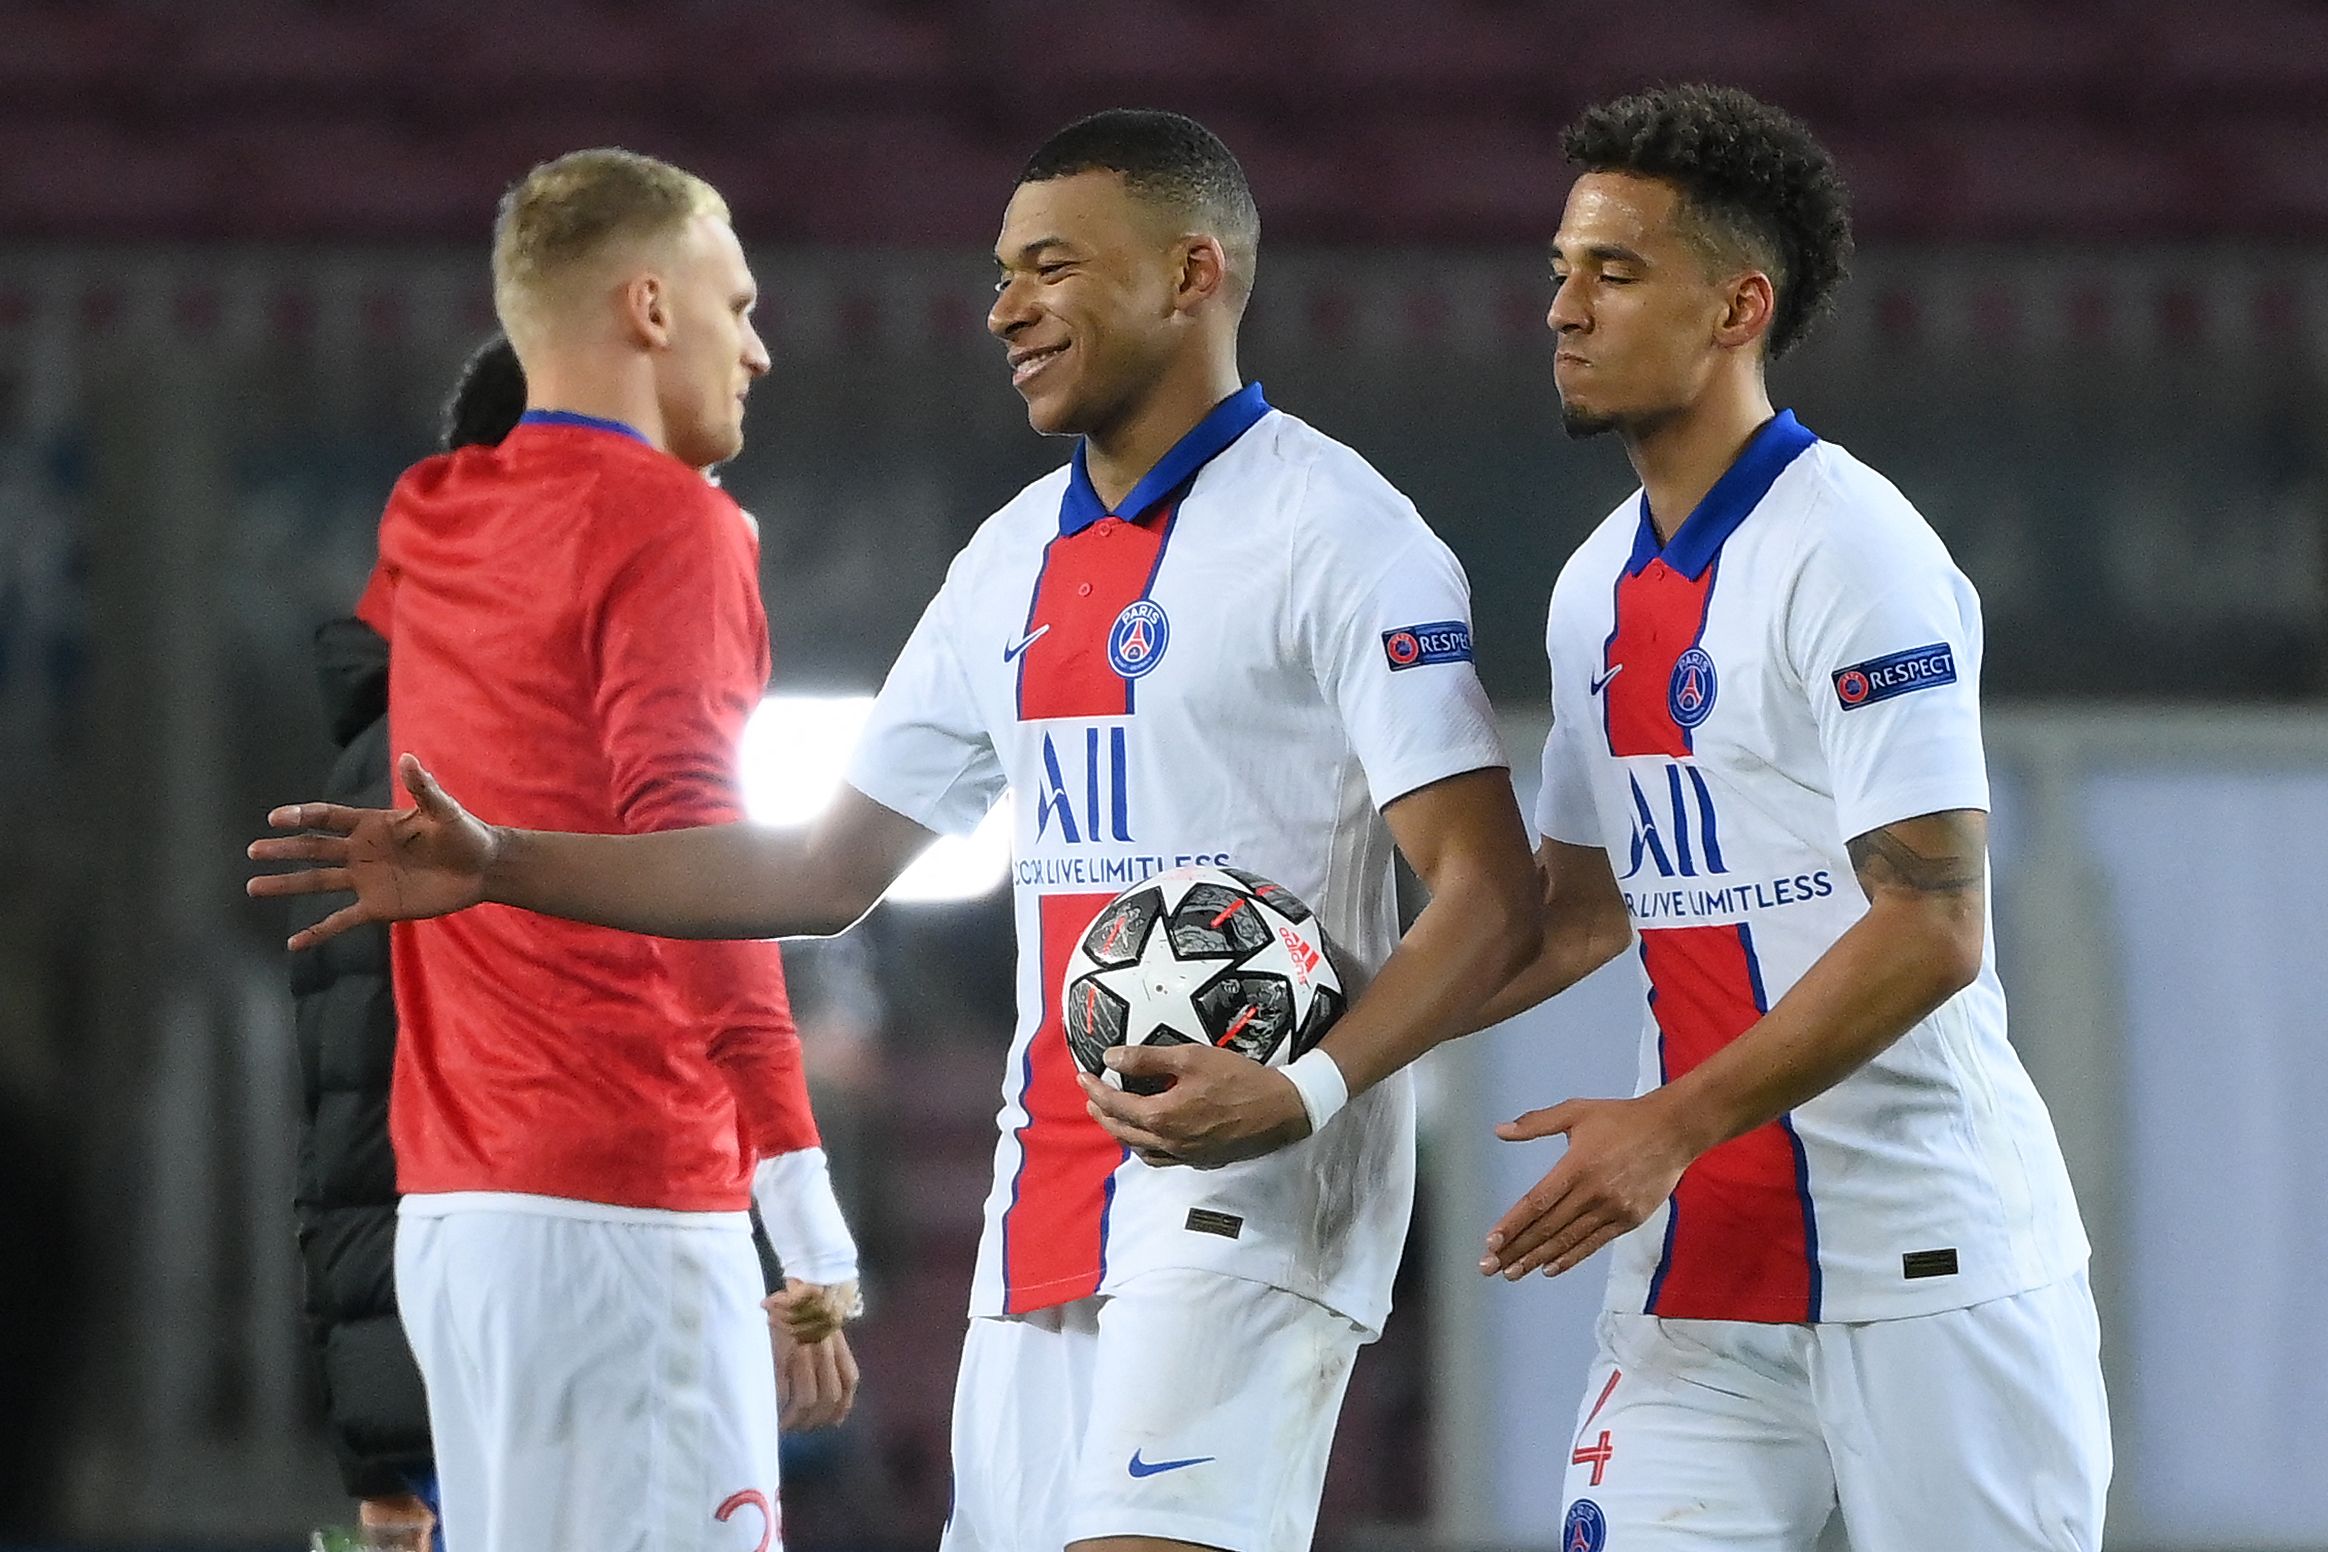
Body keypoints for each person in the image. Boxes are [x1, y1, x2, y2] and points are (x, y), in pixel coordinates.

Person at [251, 110, 1543, 1552]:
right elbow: (818, 869)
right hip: (1040, 1203)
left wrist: (1301, 1092)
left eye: (1052, 266)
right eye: (1000, 273)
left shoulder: (1346, 539)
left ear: (1194, 274)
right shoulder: (1006, 564)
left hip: (1252, 1196)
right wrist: (505, 861)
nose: (1006, 307)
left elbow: (1489, 899)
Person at [1483, 85, 2106, 1550]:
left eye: (1614, 272)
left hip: (1927, 1266)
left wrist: (1664, 1128)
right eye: (1559, 272)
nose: (1563, 309)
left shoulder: (1857, 550)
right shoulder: (1591, 591)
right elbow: (1576, 912)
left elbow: (1936, 928)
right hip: (1701, 1267)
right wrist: (1322, 1059)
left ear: (1736, 306)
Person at [313, 152, 866, 1552]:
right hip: (625, 1211)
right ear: (649, 306)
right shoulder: (674, 521)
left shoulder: (427, 519)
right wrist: (803, 1226)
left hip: (458, 1227)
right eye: (735, 305)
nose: (760, 346)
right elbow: (699, 862)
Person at [287, 333, 530, 1551]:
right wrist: (396, 1462)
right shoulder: (420, 766)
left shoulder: (510, 718)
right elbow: (361, 1118)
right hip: (506, 1376)